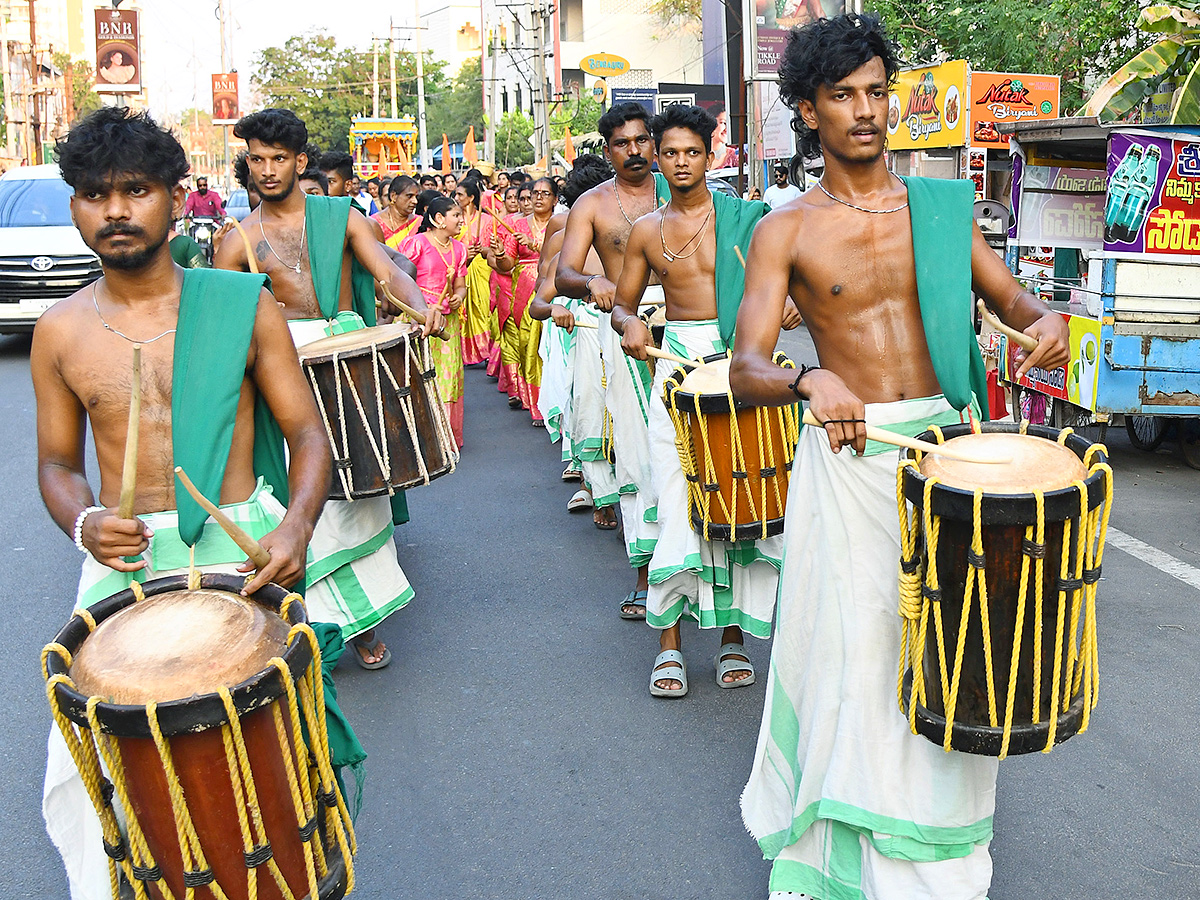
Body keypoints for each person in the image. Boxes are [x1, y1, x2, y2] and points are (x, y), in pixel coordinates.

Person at [728, 16, 1070, 899]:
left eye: (877, 91)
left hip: (952, 464)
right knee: (861, 664)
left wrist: (1050, 325)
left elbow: (1018, 300)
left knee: (958, 653)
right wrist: (810, 383)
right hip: (851, 463)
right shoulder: (786, 230)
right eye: (843, 96)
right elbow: (747, 364)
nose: (866, 111)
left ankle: (940, 863)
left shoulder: (943, 211)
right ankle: (846, 864)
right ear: (807, 110)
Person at [34, 106, 332, 900]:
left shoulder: (243, 304)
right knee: (113, 791)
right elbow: (58, 465)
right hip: (124, 573)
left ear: (176, 196)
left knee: (276, 787)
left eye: (135, 189)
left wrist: (297, 526)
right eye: (95, 195)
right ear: (75, 208)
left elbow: (308, 436)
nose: (116, 210)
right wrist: (84, 520)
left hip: (244, 558)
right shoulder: (59, 331)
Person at [216, 108, 443, 670]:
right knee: (299, 494)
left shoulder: (342, 218)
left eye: (277, 159)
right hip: (281, 370)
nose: (266, 170)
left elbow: (390, 274)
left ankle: (362, 621)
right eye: (256, 159)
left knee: (355, 496)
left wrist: (419, 306)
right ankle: (312, 624)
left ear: (299, 162)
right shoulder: (236, 241)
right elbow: (223, 326)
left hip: (347, 363)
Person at [612, 104, 797, 697]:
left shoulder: (750, 221)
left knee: (738, 502)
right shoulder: (647, 231)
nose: (682, 162)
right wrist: (630, 325)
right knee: (676, 500)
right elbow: (622, 302)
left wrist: (793, 303)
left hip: (742, 360)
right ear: (658, 160)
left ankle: (732, 639)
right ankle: (668, 645)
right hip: (677, 374)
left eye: (694, 151)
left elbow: (789, 282)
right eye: (671, 153)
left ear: (710, 156)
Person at [556, 101, 669, 620]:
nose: (634, 150)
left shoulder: (683, 191)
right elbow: (565, 275)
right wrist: (594, 281)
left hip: (687, 331)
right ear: (608, 151)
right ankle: (647, 576)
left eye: (641, 140)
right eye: (622, 143)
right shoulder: (593, 206)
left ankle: (704, 577)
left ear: (654, 142)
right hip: (624, 331)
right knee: (639, 451)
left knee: (692, 451)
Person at [528, 154, 618, 527]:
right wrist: (556, 311)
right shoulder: (566, 239)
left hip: (632, 337)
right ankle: (599, 493)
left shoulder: (639, 231)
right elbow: (539, 300)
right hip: (582, 339)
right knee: (589, 412)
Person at [402, 196, 468, 447]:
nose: (462, 220)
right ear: (439, 219)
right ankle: (420, 435)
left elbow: (460, 286)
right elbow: (402, 280)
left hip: (447, 324)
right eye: (456, 216)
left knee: (448, 376)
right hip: (419, 321)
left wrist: (458, 299)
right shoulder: (416, 244)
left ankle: (445, 436)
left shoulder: (459, 249)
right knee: (418, 374)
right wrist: (421, 307)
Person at [491, 176, 557, 426]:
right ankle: (536, 406)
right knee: (529, 346)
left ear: (555, 199)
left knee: (554, 347)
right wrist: (499, 255)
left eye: (545, 193)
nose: (539, 197)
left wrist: (537, 246)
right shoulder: (518, 226)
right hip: (524, 291)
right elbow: (507, 264)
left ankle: (558, 404)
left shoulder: (562, 224)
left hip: (554, 288)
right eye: (535, 193)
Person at [453, 176, 498, 367]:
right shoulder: (454, 219)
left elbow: (491, 248)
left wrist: (481, 250)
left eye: (460, 194)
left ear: (471, 198)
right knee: (463, 311)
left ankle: (486, 350)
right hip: (460, 268)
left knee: (482, 308)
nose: (456, 197)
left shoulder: (486, 219)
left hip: (481, 269)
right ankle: (466, 352)